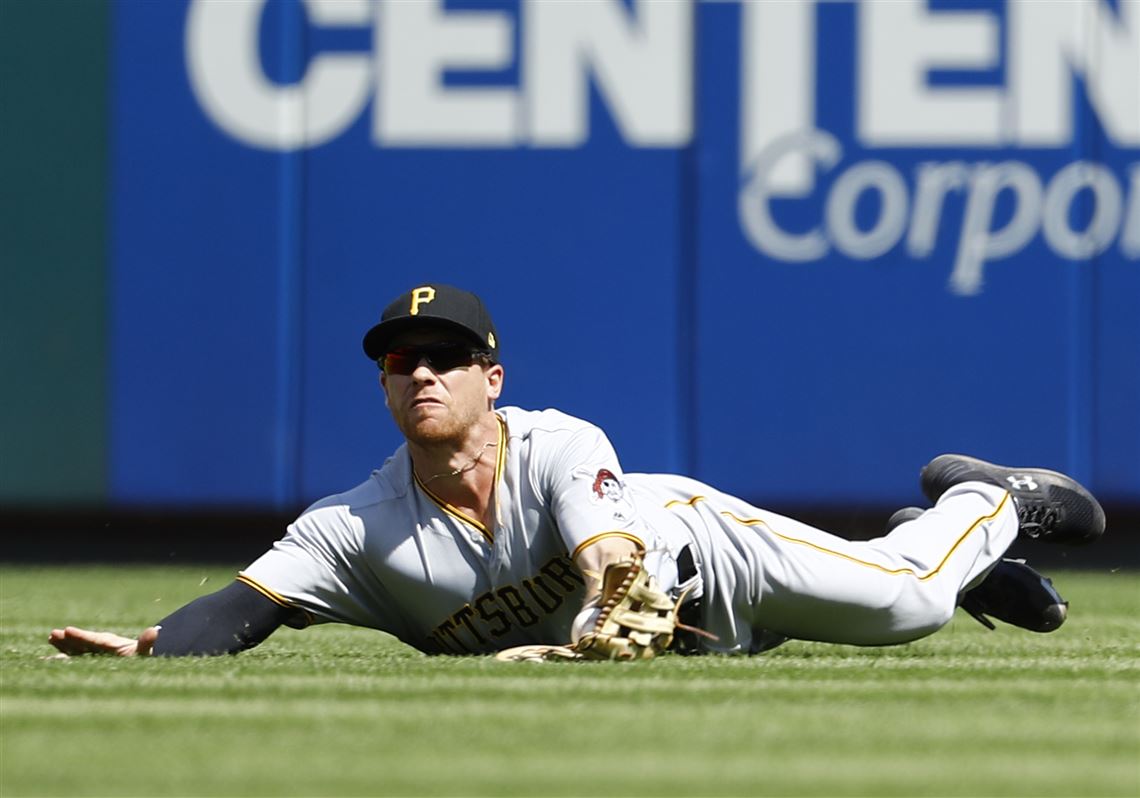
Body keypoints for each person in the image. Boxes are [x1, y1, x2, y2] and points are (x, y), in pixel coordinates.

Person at [48, 284, 1106, 659]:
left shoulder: (558, 442)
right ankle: (963, 554)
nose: (418, 372)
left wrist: (606, 598)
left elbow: (608, 553)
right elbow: (240, 610)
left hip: (712, 560)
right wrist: (150, 650)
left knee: (908, 605)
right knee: (899, 592)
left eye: (444, 358)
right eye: (398, 361)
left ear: (490, 377)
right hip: (676, 650)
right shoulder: (356, 529)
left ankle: (988, 500)